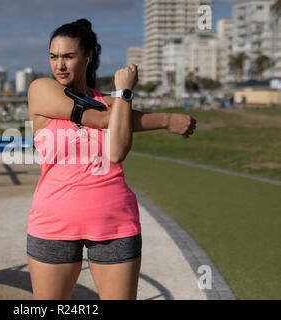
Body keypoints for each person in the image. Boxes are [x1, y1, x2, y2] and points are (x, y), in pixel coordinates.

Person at [26, 18, 196, 300]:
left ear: (88, 57)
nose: (60, 65)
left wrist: (161, 117)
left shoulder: (112, 103)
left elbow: (117, 150)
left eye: (69, 56)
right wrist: (126, 99)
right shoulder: (41, 90)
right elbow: (105, 117)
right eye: (54, 56)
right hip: (53, 222)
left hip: (115, 222)